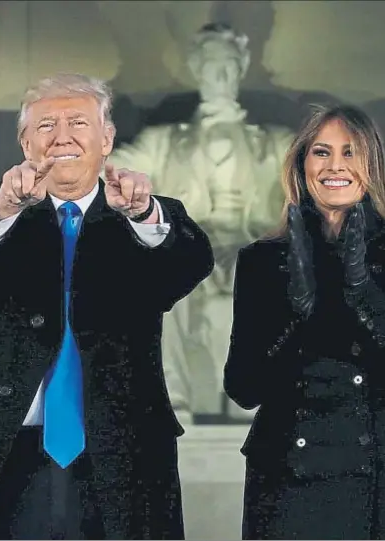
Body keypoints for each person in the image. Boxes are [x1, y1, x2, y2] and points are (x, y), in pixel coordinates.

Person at [0, 73, 214, 540]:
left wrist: (143, 214)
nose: (62, 137)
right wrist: (6, 204)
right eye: (45, 126)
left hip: (120, 458)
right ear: (24, 142)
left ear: (107, 139)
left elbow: (190, 266)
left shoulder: (146, 215)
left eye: (78, 122)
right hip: (5, 454)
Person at [223, 104, 385, 539]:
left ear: (372, 165)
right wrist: (298, 305)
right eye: (321, 152)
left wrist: (363, 292)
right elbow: (243, 388)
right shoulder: (261, 262)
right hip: (288, 485)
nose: (335, 166)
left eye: (351, 152)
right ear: (302, 164)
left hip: (384, 478)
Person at [110, 23, 294, 422]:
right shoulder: (162, 142)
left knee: (260, 279)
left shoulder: (277, 142)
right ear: (195, 68)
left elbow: (325, 176)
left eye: (228, 63)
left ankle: (250, 397)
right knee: (160, 288)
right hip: (188, 248)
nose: (220, 74)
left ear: (242, 66)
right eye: (210, 64)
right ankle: (171, 403)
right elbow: (107, 173)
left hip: (254, 246)